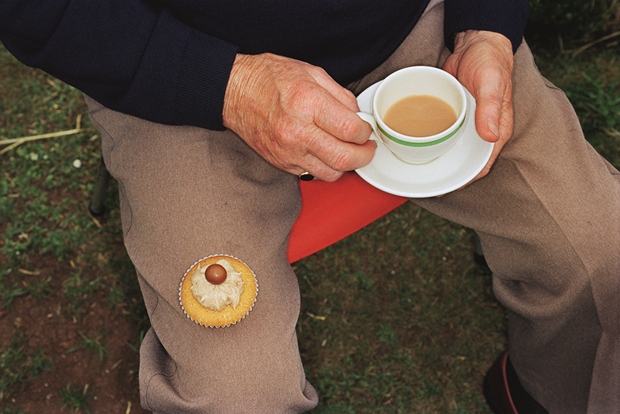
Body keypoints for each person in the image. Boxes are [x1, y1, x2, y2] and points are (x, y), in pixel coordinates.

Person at [1, 1, 618, 413]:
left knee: (599, 252)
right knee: (237, 395)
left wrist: (487, 23)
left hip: (414, 32)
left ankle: (538, 394)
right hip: (181, 77)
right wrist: (227, 85)